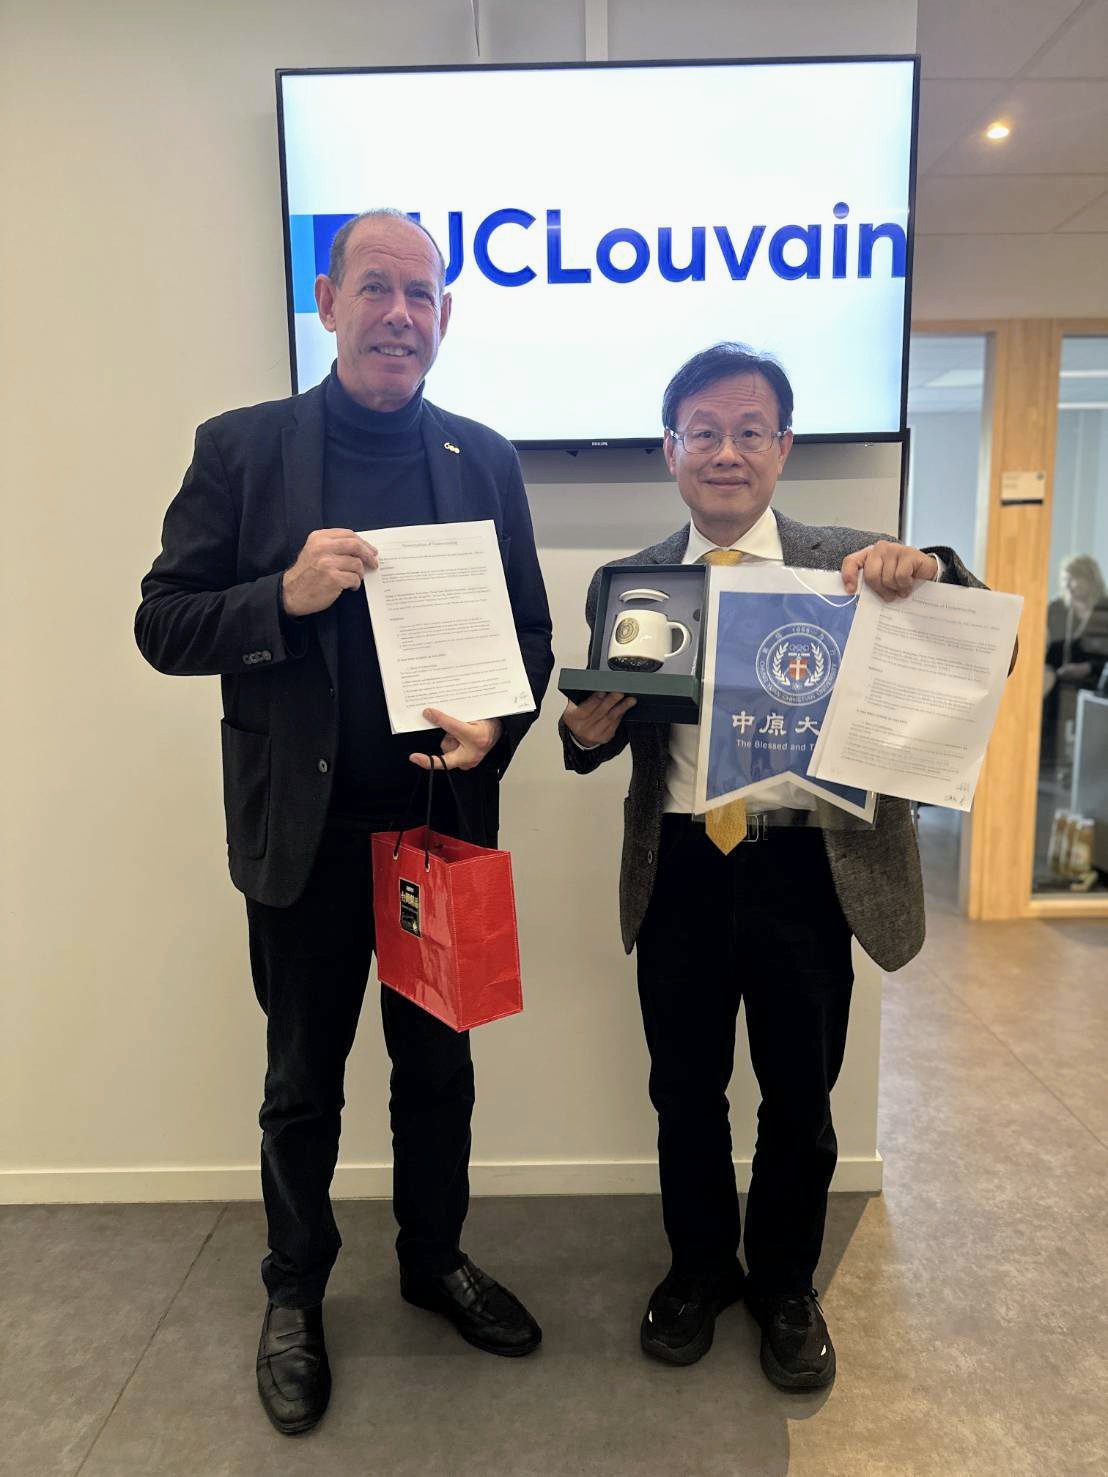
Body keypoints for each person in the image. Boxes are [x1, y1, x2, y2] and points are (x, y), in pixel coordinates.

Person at [136, 209, 553, 1435]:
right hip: (302, 838)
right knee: (301, 1084)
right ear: (327, 302)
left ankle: (433, 1260)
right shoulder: (242, 449)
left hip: (436, 824)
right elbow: (163, 622)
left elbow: (528, 635)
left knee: (438, 1075)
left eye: (421, 295)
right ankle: (294, 1292)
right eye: (376, 287)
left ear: (445, 317)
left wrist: (495, 726)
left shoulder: (484, 459)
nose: (399, 315)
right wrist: (282, 593)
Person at [560, 342, 994, 1393]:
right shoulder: (629, 581)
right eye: (703, 432)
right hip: (680, 869)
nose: (726, 452)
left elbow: (982, 640)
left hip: (806, 870)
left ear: (783, 446)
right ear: (670, 448)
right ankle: (699, 1269)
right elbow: (605, 729)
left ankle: (788, 1286)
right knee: (684, 1092)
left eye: (749, 431)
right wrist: (582, 733)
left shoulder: (850, 563)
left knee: (800, 1098)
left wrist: (934, 568)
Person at [1042, 555, 1108, 770]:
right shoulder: (1057, 609)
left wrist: (1088, 667)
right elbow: (1045, 649)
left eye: (1073, 579)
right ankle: (1047, 763)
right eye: (1064, 579)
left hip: (1097, 681)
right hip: (1059, 679)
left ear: (1090, 579)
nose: (1067, 585)